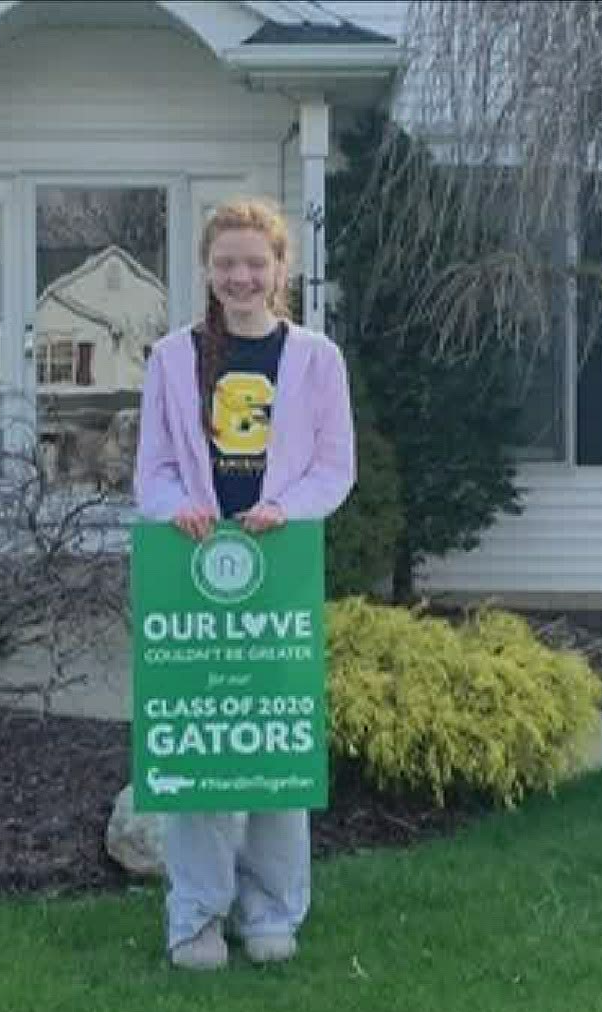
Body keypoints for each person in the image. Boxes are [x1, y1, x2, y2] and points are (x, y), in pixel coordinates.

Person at [135, 195, 356, 970]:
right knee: (201, 746)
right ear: (208, 269)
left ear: (279, 270)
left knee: (274, 745)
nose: (240, 276)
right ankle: (195, 914)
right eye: (225, 262)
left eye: (254, 263)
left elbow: (334, 465)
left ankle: (270, 908)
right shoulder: (172, 359)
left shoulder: (316, 360)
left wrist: (283, 508)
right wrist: (180, 506)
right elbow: (153, 469)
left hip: (279, 567)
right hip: (193, 573)